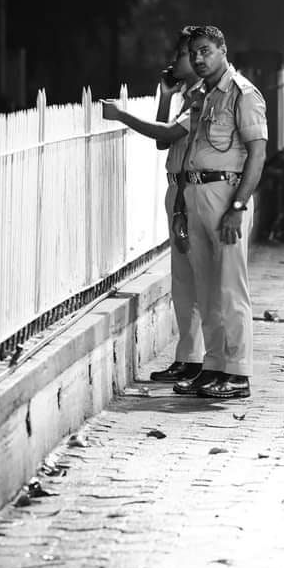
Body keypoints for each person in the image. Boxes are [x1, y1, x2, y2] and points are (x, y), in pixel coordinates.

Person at [101, 25, 268, 401]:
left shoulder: (243, 94)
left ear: (223, 50)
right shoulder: (203, 96)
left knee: (230, 288)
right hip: (194, 193)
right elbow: (186, 154)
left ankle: (238, 373)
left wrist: (238, 207)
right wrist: (180, 209)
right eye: (194, 53)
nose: (198, 59)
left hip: (226, 194)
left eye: (206, 51)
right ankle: (214, 366)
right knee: (207, 289)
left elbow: (257, 155)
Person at [150, 26, 204, 384]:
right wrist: (166, 97)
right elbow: (162, 142)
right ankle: (187, 357)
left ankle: (199, 360)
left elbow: (166, 134)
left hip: (189, 189)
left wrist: (122, 117)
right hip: (177, 187)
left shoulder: (203, 96)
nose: (175, 61)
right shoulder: (184, 95)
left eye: (182, 54)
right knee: (183, 281)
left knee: (196, 279)